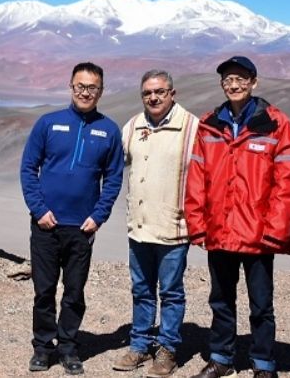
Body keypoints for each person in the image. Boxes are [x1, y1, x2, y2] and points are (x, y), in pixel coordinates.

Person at [184, 56, 290, 378]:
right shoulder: (210, 124)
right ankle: (221, 358)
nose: (234, 85)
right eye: (228, 80)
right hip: (219, 230)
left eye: (241, 79)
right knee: (221, 299)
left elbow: (288, 181)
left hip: (258, 234)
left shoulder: (275, 123)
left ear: (254, 82)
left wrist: (275, 228)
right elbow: (196, 178)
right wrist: (197, 224)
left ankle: (263, 362)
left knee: (261, 303)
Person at [20, 62, 124, 375]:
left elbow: (113, 178)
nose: (85, 92)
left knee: (74, 292)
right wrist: (39, 210)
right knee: (44, 290)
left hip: (82, 227)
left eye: (92, 87)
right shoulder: (48, 123)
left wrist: (98, 216)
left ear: (101, 91)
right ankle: (42, 347)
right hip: (46, 224)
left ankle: (68, 347)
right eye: (80, 86)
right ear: (71, 86)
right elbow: (28, 169)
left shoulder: (109, 130)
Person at [111, 70, 199, 377]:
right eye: (147, 93)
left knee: (171, 292)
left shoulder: (191, 127)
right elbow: (115, 163)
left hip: (174, 226)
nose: (153, 97)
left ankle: (167, 350)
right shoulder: (133, 126)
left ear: (172, 93)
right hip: (139, 226)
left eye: (160, 91)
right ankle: (139, 345)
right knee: (141, 289)